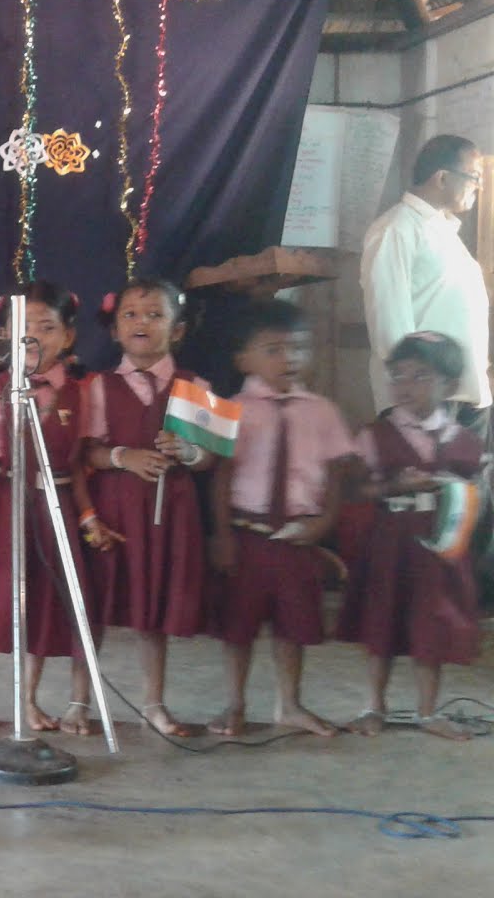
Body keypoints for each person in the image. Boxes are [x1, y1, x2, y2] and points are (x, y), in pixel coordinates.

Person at [208, 298, 355, 738]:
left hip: (299, 536)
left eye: (298, 348)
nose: (289, 358)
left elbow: (335, 477)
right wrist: (221, 535)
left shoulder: (323, 411)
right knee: (239, 627)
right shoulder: (228, 408)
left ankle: (290, 704)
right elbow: (219, 476)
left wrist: (324, 524)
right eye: (273, 349)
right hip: (246, 533)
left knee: (293, 626)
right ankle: (234, 704)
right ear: (243, 359)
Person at [0, 281, 97, 733]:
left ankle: (28, 700)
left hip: (53, 506)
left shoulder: (81, 395)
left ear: (67, 337)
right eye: (22, 329)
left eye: (46, 327)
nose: (33, 339)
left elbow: (83, 459)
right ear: (2, 335)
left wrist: (88, 514)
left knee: (42, 601)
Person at [337, 332, 485, 741]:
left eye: (421, 376)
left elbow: (474, 496)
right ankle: (373, 706)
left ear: (449, 386)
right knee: (381, 624)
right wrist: (391, 489)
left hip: (438, 548)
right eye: (398, 375)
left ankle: (427, 711)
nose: (406, 386)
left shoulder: (466, 441)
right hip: (389, 542)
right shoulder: (375, 435)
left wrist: (449, 489)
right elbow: (353, 491)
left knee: (430, 625)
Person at [80, 279, 212, 737]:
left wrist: (188, 452)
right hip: (115, 511)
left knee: (153, 609)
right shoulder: (98, 387)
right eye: (131, 315)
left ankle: (154, 702)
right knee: (95, 607)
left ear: (176, 331)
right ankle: (81, 700)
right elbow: (88, 452)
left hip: (170, 512)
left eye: (155, 315)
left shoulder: (194, 386)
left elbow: (210, 456)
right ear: (115, 330)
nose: (142, 323)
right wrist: (123, 457)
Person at [360, 135, 488, 430]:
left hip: (465, 394)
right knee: (426, 477)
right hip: (425, 404)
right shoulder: (396, 229)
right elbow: (389, 324)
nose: (478, 187)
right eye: (474, 178)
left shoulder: (442, 230)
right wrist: (415, 397)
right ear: (442, 178)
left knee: (468, 477)